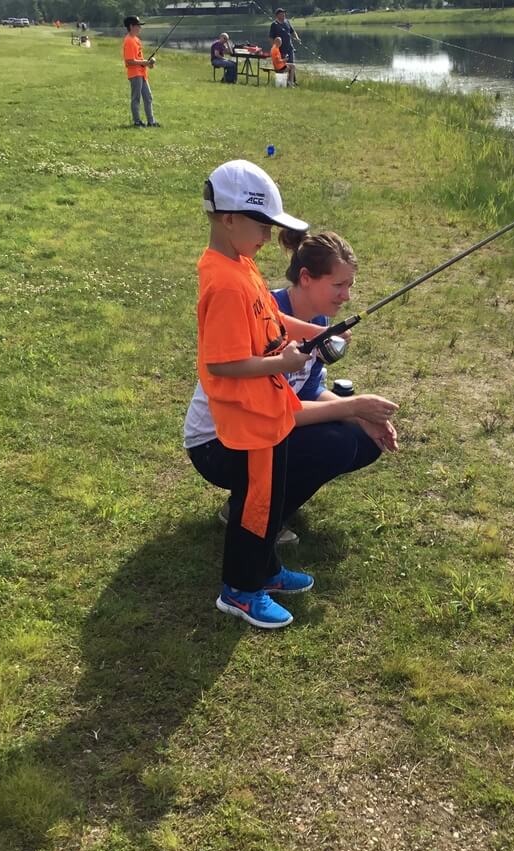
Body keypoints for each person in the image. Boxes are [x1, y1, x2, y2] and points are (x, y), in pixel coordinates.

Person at [185, 230, 398, 547]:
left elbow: (309, 391)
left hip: (262, 428)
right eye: (338, 285)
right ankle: (251, 518)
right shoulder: (264, 313)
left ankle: (263, 506)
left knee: (364, 439)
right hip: (218, 444)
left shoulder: (319, 320)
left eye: (349, 286)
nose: (347, 296)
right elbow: (275, 410)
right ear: (306, 278)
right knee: (336, 443)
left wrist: (362, 418)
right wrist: (352, 406)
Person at [187, 160, 326, 630]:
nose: (268, 236)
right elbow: (222, 364)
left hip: (266, 414)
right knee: (256, 507)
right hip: (245, 423)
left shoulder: (241, 265)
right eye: (262, 225)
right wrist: (281, 365)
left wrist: (313, 332)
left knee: (273, 498)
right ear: (229, 219)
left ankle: (265, 570)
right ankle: (240, 591)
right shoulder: (225, 283)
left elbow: (270, 317)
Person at [122, 16, 157, 128]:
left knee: (148, 97)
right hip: (135, 74)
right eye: (138, 25)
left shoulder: (136, 40)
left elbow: (138, 58)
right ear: (131, 26)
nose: (140, 28)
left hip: (142, 73)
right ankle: (137, 122)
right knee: (136, 98)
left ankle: (151, 122)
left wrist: (148, 63)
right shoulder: (129, 40)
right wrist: (145, 62)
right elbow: (129, 61)